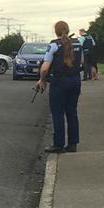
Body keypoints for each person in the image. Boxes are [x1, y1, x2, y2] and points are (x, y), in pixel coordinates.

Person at [37, 20, 84, 154]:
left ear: (56, 31)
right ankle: (73, 144)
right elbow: (81, 62)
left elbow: (45, 68)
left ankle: (58, 144)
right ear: (68, 30)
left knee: (58, 113)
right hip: (75, 81)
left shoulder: (54, 45)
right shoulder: (78, 44)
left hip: (59, 82)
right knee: (72, 112)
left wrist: (42, 79)